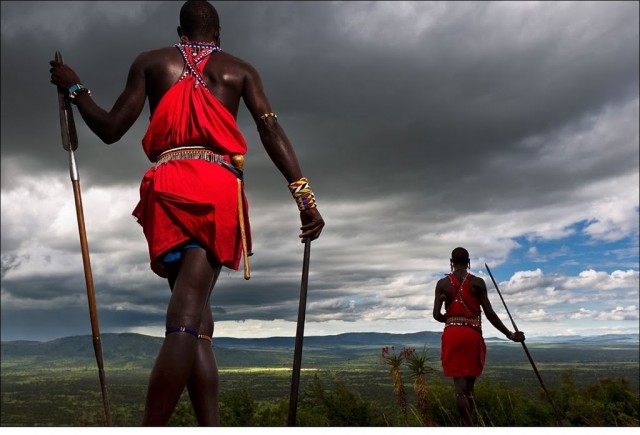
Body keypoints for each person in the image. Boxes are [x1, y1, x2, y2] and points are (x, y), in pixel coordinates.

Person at [49, 0, 324, 426]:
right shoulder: (239, 70)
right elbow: (269, 128)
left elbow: (109, 128)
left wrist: (75, 87)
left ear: (180, 33)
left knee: (198, 319)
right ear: (218, 35)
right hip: (215, 189)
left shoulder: (150, 62)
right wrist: (303, 196)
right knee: (186, 315)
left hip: (167, 187)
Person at [432, 247, 524, 426]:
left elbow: (436, 315)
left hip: (452, 334)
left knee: (459, 390)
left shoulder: (442, 284)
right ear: (468, 262)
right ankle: (470, 424)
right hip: (472, 334)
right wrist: (510, 334)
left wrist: (449, 316)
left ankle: (466, 425)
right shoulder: (477, 283)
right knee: (470, 389)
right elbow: (489, 313)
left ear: (451, 262)